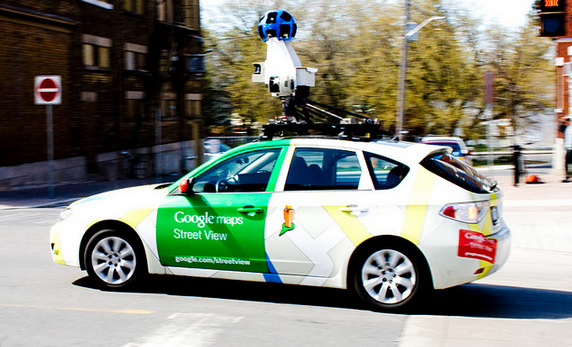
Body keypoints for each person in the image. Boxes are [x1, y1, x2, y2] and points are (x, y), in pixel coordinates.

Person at [564, 115, 572, 183]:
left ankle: (569, 176)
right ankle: (568, 176)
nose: (566, 122)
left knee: (569, 162)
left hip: (571, 147)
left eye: (568, 120)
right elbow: (560, 128)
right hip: (568, 147)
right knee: (567, 162)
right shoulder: (567, 128)